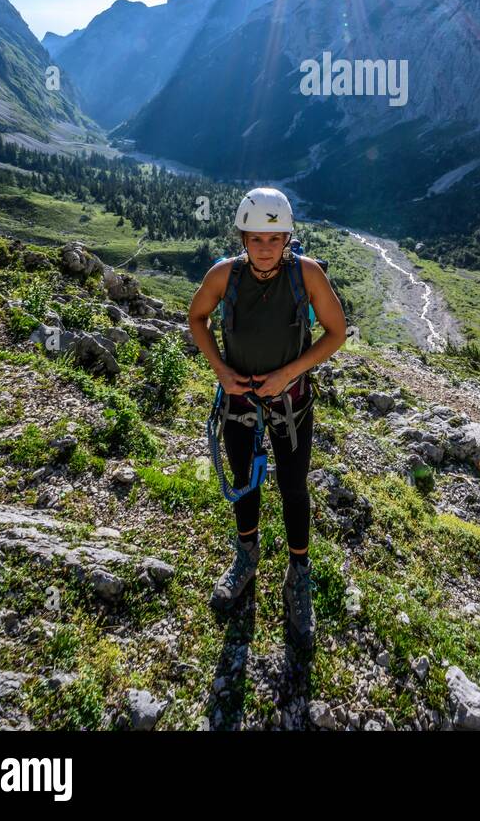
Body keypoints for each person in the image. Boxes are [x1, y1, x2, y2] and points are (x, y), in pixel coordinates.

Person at [187, 186, 348, 643]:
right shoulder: (224, 275)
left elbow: (336, 332)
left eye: (273, 239)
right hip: (239, 403)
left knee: (294, 488)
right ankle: (247, 556)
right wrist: (220, 370)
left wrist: (289, 373)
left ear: (287, 240)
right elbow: (196, 317)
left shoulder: (307, 275)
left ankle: (299, 573)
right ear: (242, 238)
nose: (263, 247)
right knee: (244, 482)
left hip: (290, 403)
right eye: (255, 238)